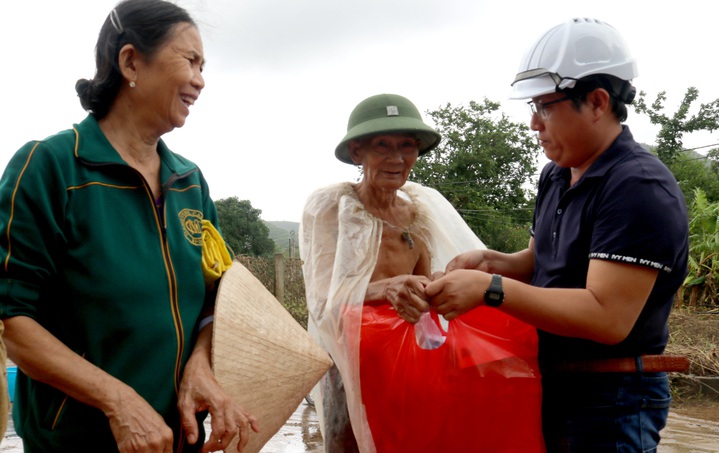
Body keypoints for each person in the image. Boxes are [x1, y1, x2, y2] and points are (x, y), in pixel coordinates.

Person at [0, 1, 258, 451]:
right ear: (131, 61)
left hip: (179, 439)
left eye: (204, 66)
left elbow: (219, 297)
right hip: (82, 440)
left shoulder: (188, 183)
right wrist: (118, 401)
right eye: (190, 61)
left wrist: (200, 363)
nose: (200, 80)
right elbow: (13, 321)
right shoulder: (52, 167)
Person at [426, 18, 690, 452]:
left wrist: (490, 289)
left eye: (545, 106)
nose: (534, 123)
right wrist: (493, 262)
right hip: (554, 381)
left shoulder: (637, 187)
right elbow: (539, 262)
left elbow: (606, 316)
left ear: (597, 101)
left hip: (613, 397)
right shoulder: (557, 174)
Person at [300, 93, 543, 452]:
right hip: (348, 360)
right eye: (382, 145)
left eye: (407, 146)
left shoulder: (420, 212)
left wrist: (435, 290)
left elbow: (425, 288)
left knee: (408, 438)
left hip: (405, 362)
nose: (397, 158)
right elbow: (324, 298)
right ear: (357, 153)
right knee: (348, 441)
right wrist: (387, 288)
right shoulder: (331, 209)